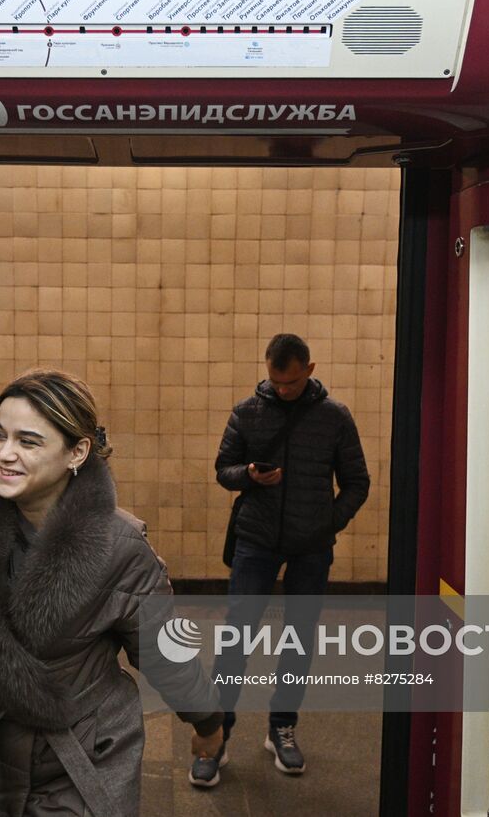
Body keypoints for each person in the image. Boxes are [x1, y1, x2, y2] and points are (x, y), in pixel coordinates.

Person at [0, 368, 224, 816]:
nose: (5, 454)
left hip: (86, 753)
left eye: (28, 441)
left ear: (77, 451)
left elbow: (164, 654)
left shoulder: (120, 547)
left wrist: (207, 721)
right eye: (0, 435)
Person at [192, 333, 370, 786]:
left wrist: (329, 522)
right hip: (256, 540)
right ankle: (218, 737)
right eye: (275, 380)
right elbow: (222, 470)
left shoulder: (334, 418)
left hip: (312, 545)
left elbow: (357, 482)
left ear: (309, 370)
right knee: (236, 640)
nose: (282, 389)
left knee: (299, 638)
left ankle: (282, 727)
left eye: (290, 382)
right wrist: (248, 476)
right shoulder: (248, 411)